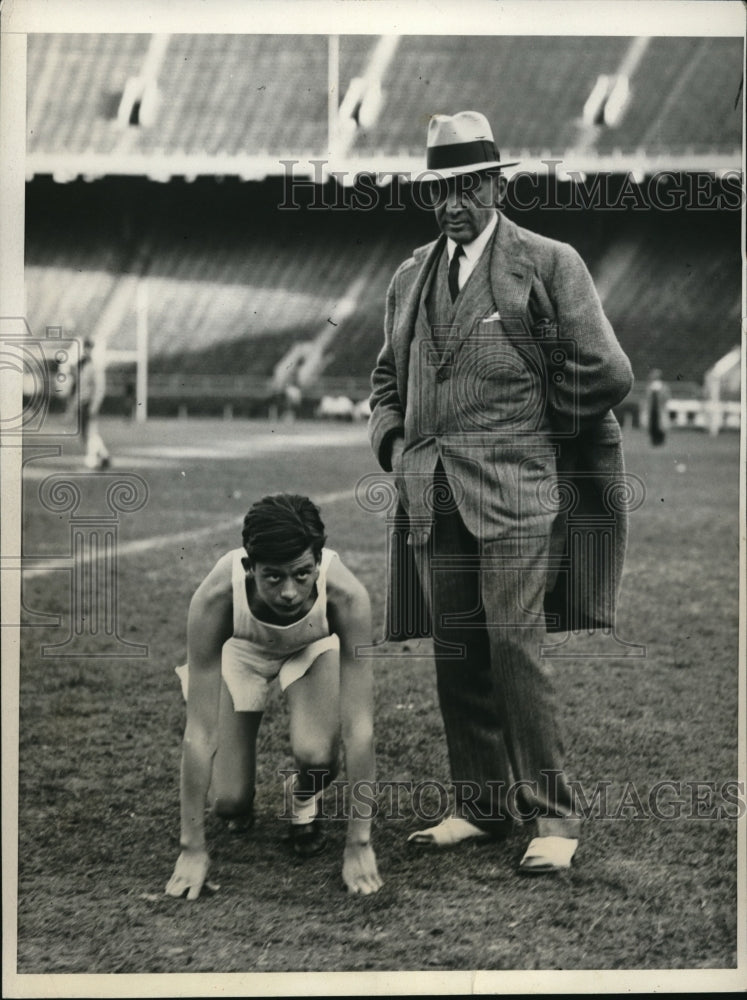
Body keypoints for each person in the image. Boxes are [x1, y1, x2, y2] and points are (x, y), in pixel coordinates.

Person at [368, 111, 633, 873]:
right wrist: (393, 444)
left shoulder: (548, 263)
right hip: (432, 491)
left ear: (496, 183)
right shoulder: (409, 273)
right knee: (457, 648)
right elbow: (387, 378)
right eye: (442, 189)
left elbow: (608, 371)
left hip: (517, 493)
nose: (455, 203)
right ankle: (481, 806)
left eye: (469, 186)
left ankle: (553, 819)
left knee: (515, 647)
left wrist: (542, 427)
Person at [165, 493, 382, 899]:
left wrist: (359, 844)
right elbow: (199, 733)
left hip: (310, 648)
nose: (288, 592)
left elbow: (360, 729)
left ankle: (303, 801)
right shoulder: (215, 598)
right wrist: (191, 849)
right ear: (249, 566)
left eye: (302, 575)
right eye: (273, 577)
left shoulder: (348, 597)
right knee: (229, 804)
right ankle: (237, 800)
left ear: (319, 562)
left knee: (316, 756)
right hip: (241, 652)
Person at [73, 336, 111, 469]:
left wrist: (95, 405)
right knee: (86, 433)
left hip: (90, 402)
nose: (87, 350)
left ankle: (92, 460)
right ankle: (104, 455)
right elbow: (79, 387)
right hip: (82, 402)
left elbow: (99, 388)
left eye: (89, 348)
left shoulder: (94, 366)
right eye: (86, 347)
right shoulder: (82, 365)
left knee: (89, 432)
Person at [645, 368, 670, 446]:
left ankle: (660, 441)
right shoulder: (650, 386)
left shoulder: (664, 386)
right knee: (653, 425)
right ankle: (654, 441)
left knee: (661, 425)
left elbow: (666, 397)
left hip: (660, 409)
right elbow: (647, 397)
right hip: (652, 409)